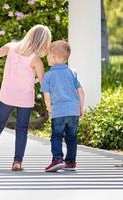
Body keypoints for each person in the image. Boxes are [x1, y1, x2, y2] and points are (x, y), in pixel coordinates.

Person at [0, 24, 52, 171]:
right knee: (21, 130)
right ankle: (17, 162)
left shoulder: (11, 47)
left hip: (7, 95)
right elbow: (44, 85)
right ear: (43, 42)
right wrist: (50, 105)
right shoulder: (37, 60)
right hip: (25, 99)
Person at [40, 40, 85, 172]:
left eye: (48, 54)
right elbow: (81, 91)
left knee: (56, 136)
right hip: (73, 111)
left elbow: (47, 96)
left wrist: (49, 109)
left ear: (53, 57)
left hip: (59, 112)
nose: (46, 57)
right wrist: (80, 108)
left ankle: (57, 159)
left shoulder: (48, 75)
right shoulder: (73, 72)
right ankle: (70, 162)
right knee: (71, 137)